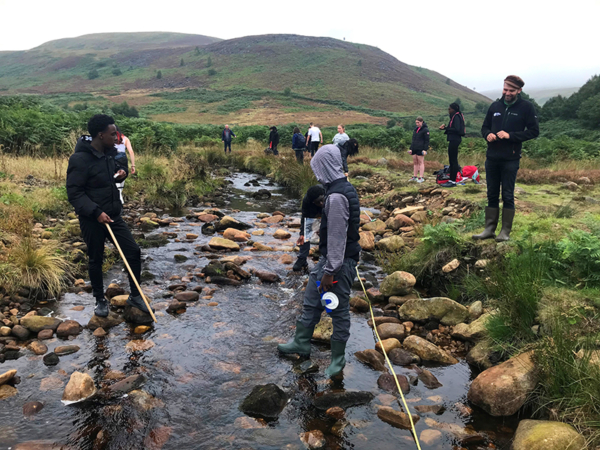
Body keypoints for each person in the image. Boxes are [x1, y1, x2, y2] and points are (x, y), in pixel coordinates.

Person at [278, 144, 361, 378]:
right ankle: (301, 343)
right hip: (329, 262)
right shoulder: (342, 188)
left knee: (337, 310)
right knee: (311, 300)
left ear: (325, 166)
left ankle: (337, 360)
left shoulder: (336, 197)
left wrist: (330, 271)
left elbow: (337, 237)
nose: (316, 173)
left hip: (337, 265)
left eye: (317, 167)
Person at [66, 114, 151, 318]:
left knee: (132, 251)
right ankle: (99, 300)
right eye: (113, 134)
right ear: (100, 135)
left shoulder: (108, 154)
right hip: (92, 219)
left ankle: (135, 295)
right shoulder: (79, 159)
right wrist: (96, 212)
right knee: (96, 258)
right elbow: (74, 193)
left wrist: (122, 172)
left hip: (113, 216)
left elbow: (116, 169)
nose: (117, 137)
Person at [473, 75, 539, 242]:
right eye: (505, 89)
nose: (507, 93)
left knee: (507, 195)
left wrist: (510, 135)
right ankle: (489, 229)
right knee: (491, 193)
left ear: (519, 90)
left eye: (511, 90)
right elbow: (484, 127)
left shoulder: (526, 107)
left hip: (511, 159)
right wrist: (487, 134)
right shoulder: (495, 106)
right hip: (492, 158)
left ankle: (505, 232)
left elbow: (533, 131)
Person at [293, 185, 325, 272]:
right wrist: (303, 234)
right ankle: (302, 259)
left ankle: (325, 258)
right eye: (318, 202)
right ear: (312, 202)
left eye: (322, 200)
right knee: (305, 233)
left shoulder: (329, 195)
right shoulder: (307, 201)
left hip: (328, 212)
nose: (321, 203)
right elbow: (305, 219)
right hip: (311, 214)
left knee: (325, 233)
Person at [439, 103, 465, 187]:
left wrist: (447, 128)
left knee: (453, 160)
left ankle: (453, 181)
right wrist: (446, 128)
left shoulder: (456, 117)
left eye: (449, 109)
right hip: (453, 139)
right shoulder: (455, 116)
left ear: (453, 109)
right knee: (452, 160)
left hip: (455, 139)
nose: (448, 111)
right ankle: (452, 179)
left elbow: (457, 129)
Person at [114, 127, 136, 204]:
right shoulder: (125, 138)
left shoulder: (110, 138)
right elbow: (131, 152)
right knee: (123, 174)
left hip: (113, 158)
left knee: (114, 176)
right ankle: (119, 193)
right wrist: (133, 165)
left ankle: (117, 195)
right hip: (122, 158)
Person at [408, 116, 429, 183]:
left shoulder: (425, 130)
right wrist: (411, 148)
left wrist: (425, 149)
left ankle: (421, 177)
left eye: (418, 122)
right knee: (415, 162)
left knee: (421, 162)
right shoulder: (415, 129)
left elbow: (427, 141)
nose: (417, 124)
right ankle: (415, 176)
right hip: (414, 148)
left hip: (421, 148)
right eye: (416, 123)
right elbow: (413, 139)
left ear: (421, 122)